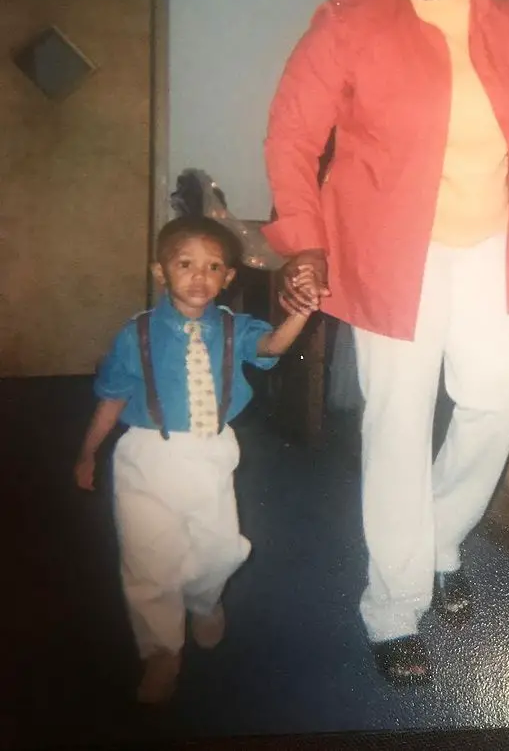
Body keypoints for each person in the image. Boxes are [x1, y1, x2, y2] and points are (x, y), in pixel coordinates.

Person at [263, 0, 509, 685]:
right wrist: (304, 236)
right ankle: (393, 606)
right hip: (389, 253)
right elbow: (292, 137)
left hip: (490, 245)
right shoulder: (347, 21)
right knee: (398, 425)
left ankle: (439, 538)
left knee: (501, 391)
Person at [74, 216, 316, 704]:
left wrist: (302, 313)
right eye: (185, 264)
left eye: (212, 267)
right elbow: (113, 398)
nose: (199, 277)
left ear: (228, 277)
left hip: (210, 453)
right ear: (161, 271)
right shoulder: (136, 334)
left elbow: (272, 346)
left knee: (219, 549)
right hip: (146, 456)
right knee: (147, 559)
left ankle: (204, 599)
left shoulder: (233, 327)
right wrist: (87, 452)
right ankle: (161, 651)